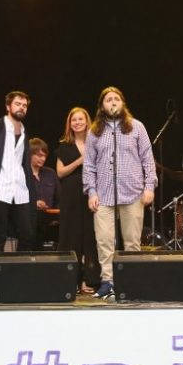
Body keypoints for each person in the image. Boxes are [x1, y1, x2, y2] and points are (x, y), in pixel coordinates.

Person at [82, 87, 157, 299]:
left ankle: (132, 280)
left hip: (133, 191)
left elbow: (147, 159)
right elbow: (89, 165)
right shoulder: (94, 131)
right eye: (108, 100)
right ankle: (108, 281)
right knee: (104, 240)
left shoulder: (137, 127)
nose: (113, 102)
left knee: (132, 241)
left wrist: (149, 186)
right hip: (103, 194)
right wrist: (92, 192)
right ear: (102, 106)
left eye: (116, 99)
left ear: (123, 103)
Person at [0, 91, 38, 253]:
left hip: (20, 189)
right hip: (0, 189)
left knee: (27, 234)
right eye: (18, 104)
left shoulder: (24, 131)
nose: (22, 108)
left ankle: (17, 271)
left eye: (25, 105)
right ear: (8, 106)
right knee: (0, 236)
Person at [57, 107, 99, 293]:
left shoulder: (95, 143)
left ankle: (88, 280)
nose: (77, 122)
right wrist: (79, 161)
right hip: (70, 195)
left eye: (81, 119)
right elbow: (60, 172)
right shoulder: (64, 145)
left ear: (87, 121)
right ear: (70, 124)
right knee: (70, 235)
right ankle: (69, 280)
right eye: (74, 120)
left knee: (90, 237)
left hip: (91, 194)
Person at [29, 137, 58, 249]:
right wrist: (34, 203)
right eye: (39, 155)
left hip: (49, 220)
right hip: (29, 219)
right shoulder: (22, 174)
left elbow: (59, 198)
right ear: (29, 155)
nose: (43, 158)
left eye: (44, 156)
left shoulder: (50, 173)